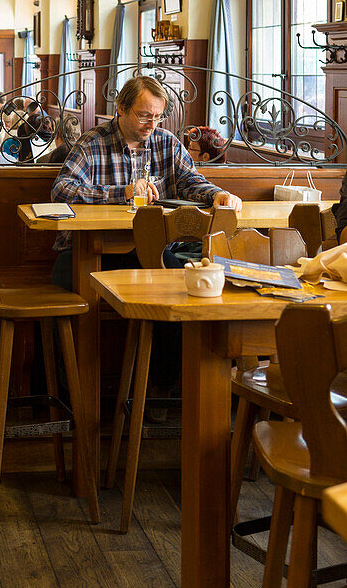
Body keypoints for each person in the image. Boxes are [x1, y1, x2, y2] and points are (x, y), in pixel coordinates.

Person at [51, 75, 242, 393]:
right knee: (67, 291)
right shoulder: (92, 142)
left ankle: (164, 391)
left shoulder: (166, 142)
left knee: (183, 288)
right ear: (121, 109)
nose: (151, 123)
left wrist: (216, 195)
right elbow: (62, 190)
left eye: (157, 116)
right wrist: (122, 191)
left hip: (149, 251)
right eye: (143, 115)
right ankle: (74, 396)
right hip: (87, 251)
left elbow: (191, 181)